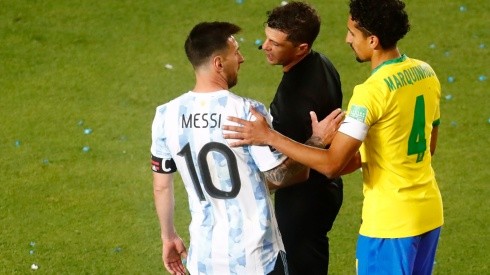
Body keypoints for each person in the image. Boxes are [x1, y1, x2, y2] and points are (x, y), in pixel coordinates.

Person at [223, 0, 444, 274]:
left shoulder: (371, 92)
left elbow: (332, 165)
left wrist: (269, 136)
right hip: (429, 212)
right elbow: (429, 145)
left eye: (353, 33)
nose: (347, 39)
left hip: (390, 223)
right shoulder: (426, 72)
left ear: (372, 40)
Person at [150, 21, 334, 275]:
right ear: (218, 63)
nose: (242, 58)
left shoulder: (165, 115)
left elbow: (161, 185)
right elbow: (278, 176)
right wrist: (317, 141)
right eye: (235, 52)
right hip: (256, 259)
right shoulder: (246, 112)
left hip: (204, 260)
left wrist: (168, 237)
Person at [258, 2, 344, 274]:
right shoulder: (322, 63)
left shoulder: (296, 99)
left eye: (275, 43)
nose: (264, 46)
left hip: (303, 202)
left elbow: (297, 172)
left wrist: (252, 186)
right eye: (266, 38)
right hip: (325, 192)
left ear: (301, 48)